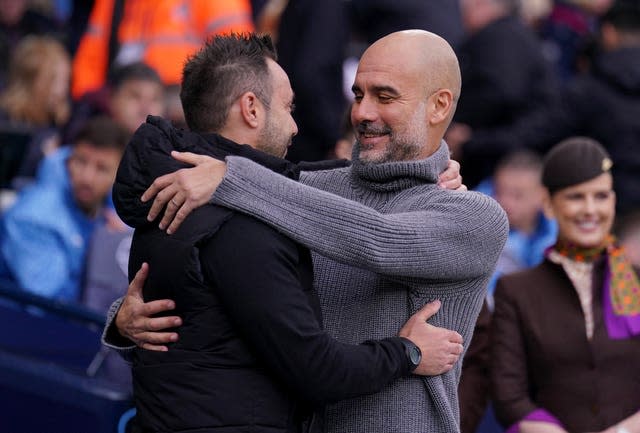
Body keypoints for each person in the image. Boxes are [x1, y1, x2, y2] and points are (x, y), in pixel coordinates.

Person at [108, 30, 509, 433]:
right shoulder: (295, 189)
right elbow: (221, 283)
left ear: (438, 106)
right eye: (357, 95)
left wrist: (231, 175)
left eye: (384, 97)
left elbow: (378, 239)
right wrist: (124, 319)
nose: (362, 113)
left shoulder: (473, 217)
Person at [491, 137, 640, 433]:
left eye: (601, 196)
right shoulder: (517, 291)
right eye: (575, 197)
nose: (590, 209)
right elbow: (509, 397)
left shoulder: (634, 281)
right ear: (547, 203)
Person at [0, 116, 129, 302]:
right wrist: (106, 253)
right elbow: (48, 302)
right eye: (81, 161)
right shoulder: (32, 216)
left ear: (119, 175)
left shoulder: (116, 211)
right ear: (68, 160)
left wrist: (120, 244)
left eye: (101, 169)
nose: (87, 178)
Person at [71, 0, 255, 100]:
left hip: (182, 105)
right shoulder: (113, 3)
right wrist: (89, 105)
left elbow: (239, 64)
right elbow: (91, 59)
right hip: (119, 104)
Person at [476, 150, 558, 309]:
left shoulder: (556, 239)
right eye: (499, 192)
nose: (505, 202)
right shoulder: (475, 226)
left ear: (543, 197)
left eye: (517, 195)